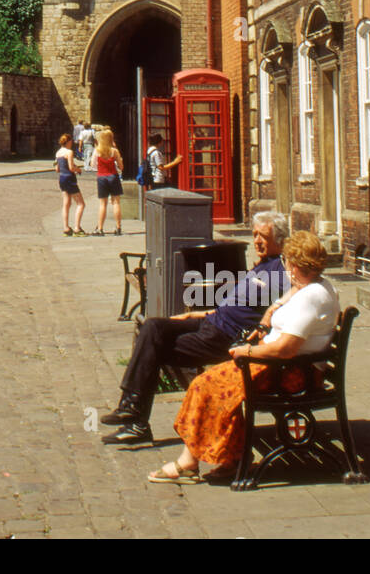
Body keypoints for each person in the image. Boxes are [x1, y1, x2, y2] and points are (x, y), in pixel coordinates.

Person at [147, 229, 338, 482]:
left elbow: (285, 349)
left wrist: (247, 351)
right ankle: (233, 459)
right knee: (210, 384)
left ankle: (190, 463)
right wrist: (272, 310)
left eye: (287, 262)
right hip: (280, 366)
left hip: (289, 373)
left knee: (205, 386)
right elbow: (292, 299)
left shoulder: (311, 297)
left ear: (293, 264)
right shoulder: (314, 286)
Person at [101, 211, 289, 445]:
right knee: (152, 326)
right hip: (211, 322)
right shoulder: (260, 266)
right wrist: (195, 313)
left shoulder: (281, 271)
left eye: (263, 236)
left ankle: (135, 422)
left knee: (151, 348)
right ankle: (130, 408)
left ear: (280, 241)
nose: (257, 241)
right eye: (255, 235)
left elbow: (292, 297)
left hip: (225, 337)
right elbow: (231, 305)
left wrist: (268, 317)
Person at [91, 127, 124, 236]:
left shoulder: (97, 151)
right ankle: (118, 227)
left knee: (103, 204)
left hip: (101, 177)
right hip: (113, 176)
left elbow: (93, 165)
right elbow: (121, 166)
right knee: (116, 202)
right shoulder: (114, 151)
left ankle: (100, 228)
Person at [55, 133, 86, 236]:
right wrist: (78, 169)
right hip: (69, 178)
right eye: (71, 141)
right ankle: (77, 228)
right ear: (68, 142)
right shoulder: (69, 152)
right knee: (81, 204)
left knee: (66, 204)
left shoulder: (58, 153)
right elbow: (71, 168)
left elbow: (57, 169)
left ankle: (66, 228)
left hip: (62, 178)